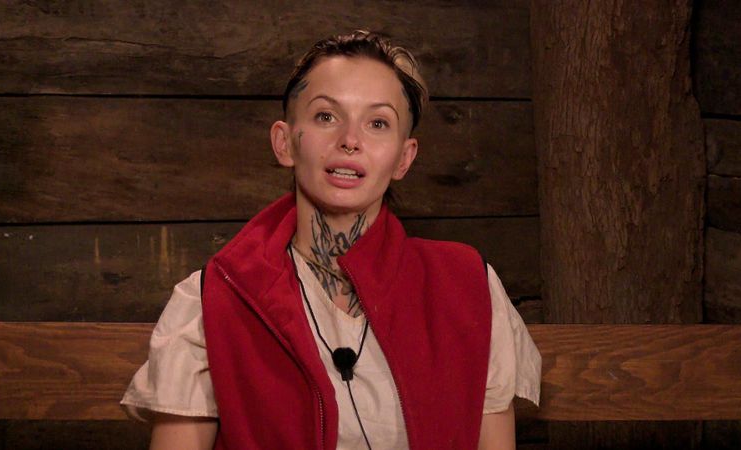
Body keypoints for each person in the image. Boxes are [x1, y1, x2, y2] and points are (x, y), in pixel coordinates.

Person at [121, 30, 540, 450]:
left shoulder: (469, 287)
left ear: (404, 158)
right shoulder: (213, 299)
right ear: (285, 143)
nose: (350, 141)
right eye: (326, 116)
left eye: (378, 123)